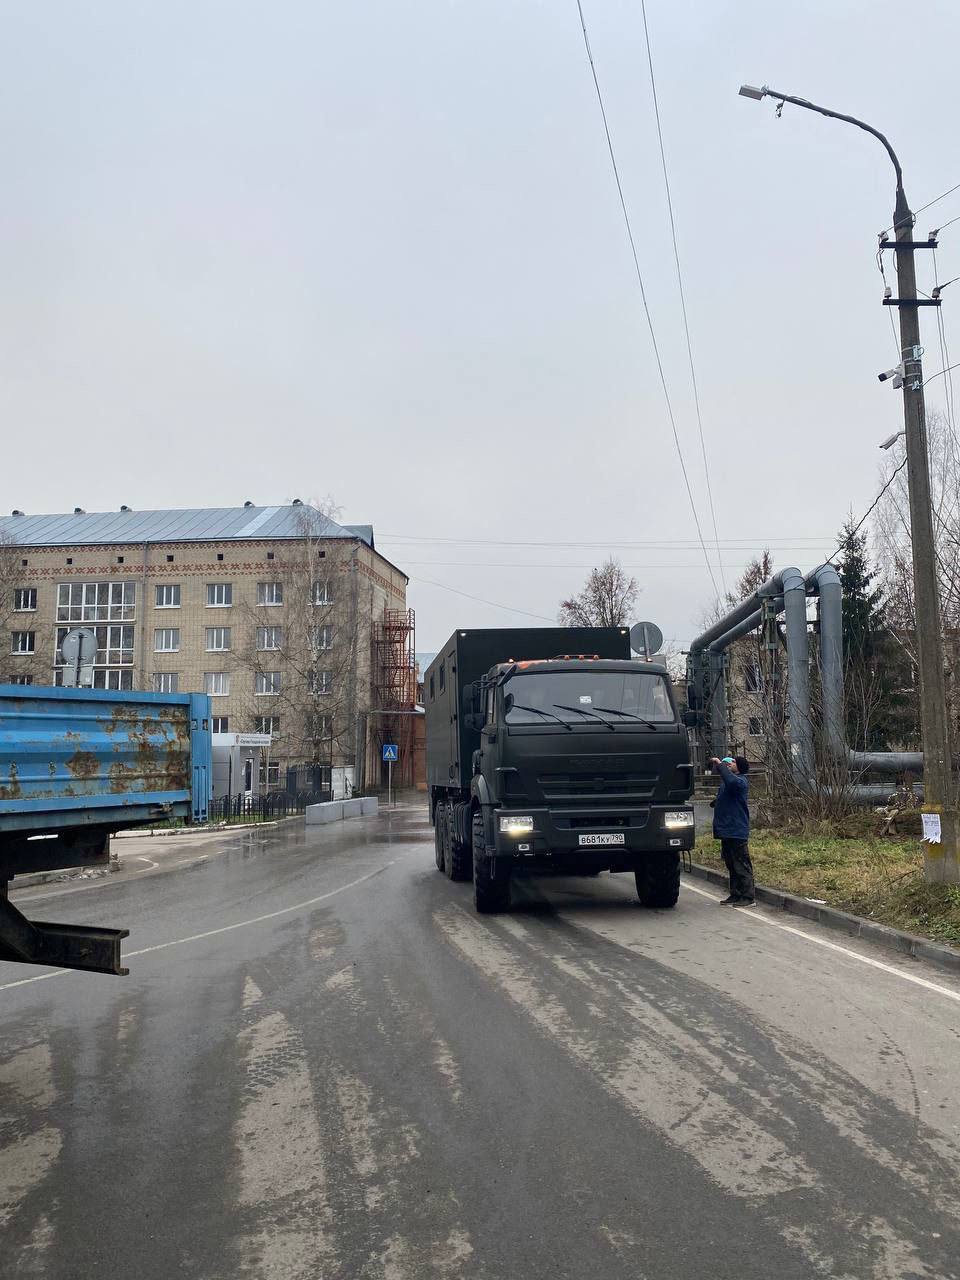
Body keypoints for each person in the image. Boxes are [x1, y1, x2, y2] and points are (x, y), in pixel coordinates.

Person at [709, 755, 755, 906]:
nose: (730, 763)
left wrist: (720, 765)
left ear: (740, 767)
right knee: (731, 864)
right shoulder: (728, 783)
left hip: (737, 830)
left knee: (741, 864)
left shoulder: (740, 781)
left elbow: (731, 781)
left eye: (734, 762)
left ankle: (748, 897)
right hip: (727, 830)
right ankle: (735, 894)